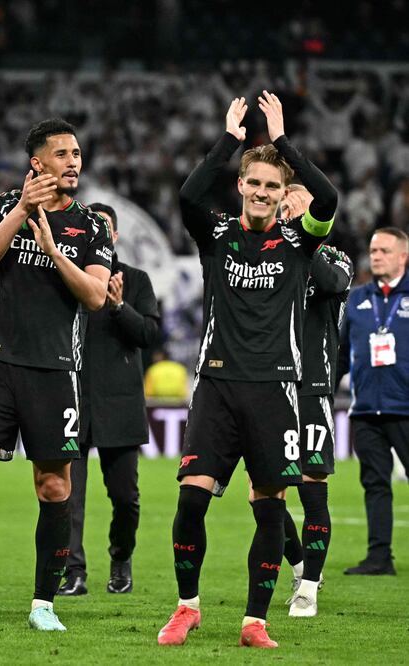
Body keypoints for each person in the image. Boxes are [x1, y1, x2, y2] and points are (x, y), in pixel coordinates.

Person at [157, 93, 338, 649]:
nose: (262, 193)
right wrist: (231, 142)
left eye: (272, 187)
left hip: (275, 389)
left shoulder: (298, 241)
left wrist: (282, 143)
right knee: (191, 499)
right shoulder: (216, 236)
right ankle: (187, 608)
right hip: (216, 384)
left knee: (269, 509)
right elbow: (188, 193)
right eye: (254, 183)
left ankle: (254, 622)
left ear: (283, 196)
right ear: (241, 186)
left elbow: (328, 197)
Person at [0, 118, 113, 632]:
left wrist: (53, 251)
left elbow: (96, 296)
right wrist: (22, 213)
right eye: (62, 153)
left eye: (77, 152)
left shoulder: (90, 225)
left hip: (55, 369)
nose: (74, 161)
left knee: (54, 487)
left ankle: (43, 604)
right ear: (38, 162)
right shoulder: (3, 204)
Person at [58, 202, 160, 598]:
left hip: (119, 403)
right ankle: (74, 573)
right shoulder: (66, 277)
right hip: (72, 401)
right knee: (68, 498)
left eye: (106, 227)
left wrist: (118, 306)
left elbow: (150, 336)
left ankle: (121, 559)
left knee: (125, 499)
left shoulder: (135, 280)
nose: (100, 231)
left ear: (114, 236)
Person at [267, 186, 353, 618]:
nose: (288, 214)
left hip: (312, 389)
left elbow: (332, 284)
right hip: (268, 388)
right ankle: (302, 567)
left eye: (295, 208)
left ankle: (309, 591)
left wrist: (310, 236)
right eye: (283, 209)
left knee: (312, 490)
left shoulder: (336, 258)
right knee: (263, 494)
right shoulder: (271, 260)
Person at [339, 227, 409, 576]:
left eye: (383, 250)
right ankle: (379, 557)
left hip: (405, 408)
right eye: (372, 249)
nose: (375, 255)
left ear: (402, 257)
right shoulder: (356, 299)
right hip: (366, 408)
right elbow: (338, 354)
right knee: (375, 484)